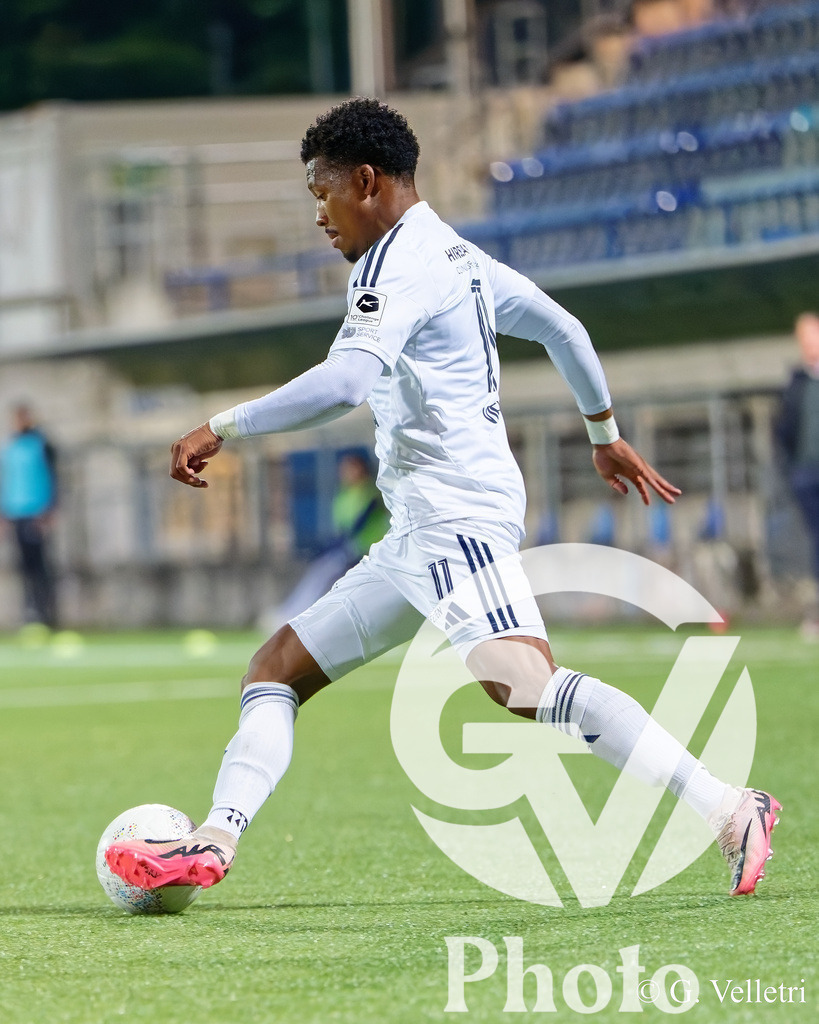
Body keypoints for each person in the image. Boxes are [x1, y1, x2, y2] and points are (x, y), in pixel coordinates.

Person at [106, 98, 780, 898]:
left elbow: (348, 382)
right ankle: (215, 840)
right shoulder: (459, 256)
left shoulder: (399, 265)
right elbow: (565, 329)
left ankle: (728, 807)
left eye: (321, 194)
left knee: (520, 685)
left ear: (365, 181)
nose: (319, 216)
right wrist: (601, 431)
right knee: (276, 668)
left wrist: (223, 424)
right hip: (421, 527)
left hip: (456, 514)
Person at [263, 451, 389, 628]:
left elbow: (360, 524)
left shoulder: (371, 492)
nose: (345, 472)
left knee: (325, 574)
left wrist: (338, 546)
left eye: (350, 467)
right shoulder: (343, 495)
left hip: (368, 551)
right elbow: (342, 529)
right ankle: (294, 612)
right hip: (349, 550)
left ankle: (294, 615)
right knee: (321, 574)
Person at [775, 311, 819, 638]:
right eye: (803, 335)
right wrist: (793, 470)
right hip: (807, 475)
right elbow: (783, 431)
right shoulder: (796, 383)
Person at [0, 404, 59, 628]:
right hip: (16, 512)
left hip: (37, 512)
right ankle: (31, 613)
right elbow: (7, 481)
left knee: (40, 565)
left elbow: (53, 478)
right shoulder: (10, 446)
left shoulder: (42, 444)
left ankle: (47, 615)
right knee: (23, 566)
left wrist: (50, 511)